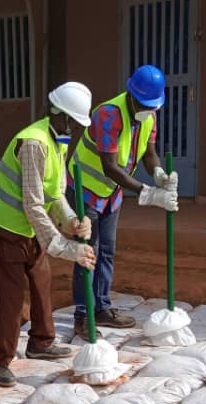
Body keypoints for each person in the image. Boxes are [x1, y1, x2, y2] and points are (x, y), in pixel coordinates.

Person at [0, 82, 97, 387]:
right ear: (58, 114)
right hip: (8, 225)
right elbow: (33, 203)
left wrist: (72, 220)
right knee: (12, 297)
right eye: (73, 123)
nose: (75, 130)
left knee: (41, 277)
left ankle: (41, 342)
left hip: (30, 226)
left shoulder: (57, 140)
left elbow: (55, 193)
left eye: (78, 125)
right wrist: (63, 246)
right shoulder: (34, 143)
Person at [69, 64, 177, 339]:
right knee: (87, 254)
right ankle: (83, 315)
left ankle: (102, 308)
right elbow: (109, 166)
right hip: (86, 190)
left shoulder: (149, 116)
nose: (147, 109)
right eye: (143, 103)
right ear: (131, 96)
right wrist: (148, 193)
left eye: (152, 105)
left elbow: (148, 153)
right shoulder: (108, 114)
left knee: (107, 250)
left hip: (112, 193)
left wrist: (159, 174)